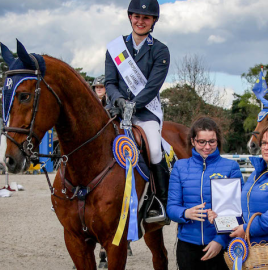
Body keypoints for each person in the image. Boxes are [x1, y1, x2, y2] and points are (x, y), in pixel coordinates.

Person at [208, 121, 268, 270]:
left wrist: (247, 228)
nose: (266, 147)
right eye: (264, 142)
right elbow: (246, 210)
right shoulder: (257, 174)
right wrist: (222, 220)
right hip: (259, 255)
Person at [105, 0, 170, 221]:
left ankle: (159, 201)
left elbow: (153, 86)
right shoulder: (115, 48)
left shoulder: (160, 50)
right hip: (116, 110)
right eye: (137, 16)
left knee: (153, 150)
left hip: (145, 112)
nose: (140, 21)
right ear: (130, 17)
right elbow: (110, 83)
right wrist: (120, 101)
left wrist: (134, 105)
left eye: (146, 18)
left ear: (153, 21)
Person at [167, 117, 243, 270]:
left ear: (218, 141)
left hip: (220, 245)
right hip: (187, 246)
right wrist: (186, 213)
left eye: (212, 141)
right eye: (202, 141)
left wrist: (220, 241)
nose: (207, 147)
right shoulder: (180, 167)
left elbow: (238, 211)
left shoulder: (230, 167)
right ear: (193, 141)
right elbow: (171, 207)